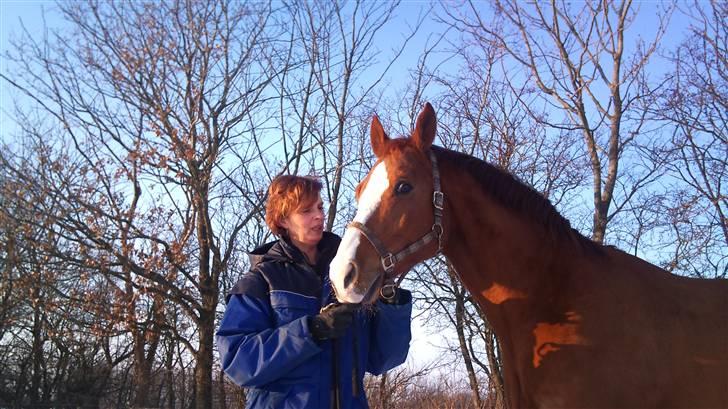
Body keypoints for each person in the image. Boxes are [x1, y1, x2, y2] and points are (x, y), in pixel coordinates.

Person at [216, 174, 412, 409]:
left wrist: (391, 304)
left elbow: (383, 359)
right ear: (283, 220)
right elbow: (239, 362)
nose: (319, 215)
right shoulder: (262, 281)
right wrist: (311, 330)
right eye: (306, 210)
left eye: (319, 207)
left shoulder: (348, 274)